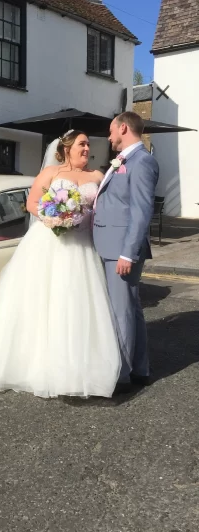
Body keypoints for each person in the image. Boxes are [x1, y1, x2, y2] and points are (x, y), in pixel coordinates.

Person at [0, 130, 121, 398]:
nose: (87, 148)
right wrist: (54, 218)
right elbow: (31, 203)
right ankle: (35, 366)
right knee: (43, 301)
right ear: (67, 148)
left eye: (89, 144)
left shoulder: (97, 177)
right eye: (82, 144)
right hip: (48, 244)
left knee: (77, 304)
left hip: (82, 247)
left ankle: (78, 370)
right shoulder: (51, 173)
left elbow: (105, 208)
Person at [93, 112, 159, 390]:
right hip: (112, 243)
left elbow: (142, 212)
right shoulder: (125, 160)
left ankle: (120, 376)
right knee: (131, 310)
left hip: (120, 248)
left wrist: (127, 253)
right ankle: (140, 370)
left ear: (123, 128)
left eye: (111, 131)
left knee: (122, 312)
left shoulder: (142, 161)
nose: (109, 137)